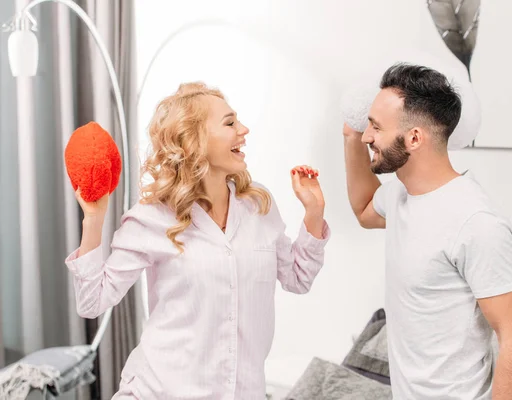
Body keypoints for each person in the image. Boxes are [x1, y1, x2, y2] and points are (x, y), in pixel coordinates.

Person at [65, 82, 330, 399]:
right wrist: (94, 218)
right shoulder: (152, 218)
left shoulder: (258, 206)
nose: (243, 129)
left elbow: (298, 278)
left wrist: (314, 213)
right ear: (192, 141)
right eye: (229, 123)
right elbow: (93, 301)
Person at [343, 63, 512, 399]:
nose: (366, 135)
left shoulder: (476, 222)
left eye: (375, 127)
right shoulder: (400, 194)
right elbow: (363, 210)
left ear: (414, 138)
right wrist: (350, 138)